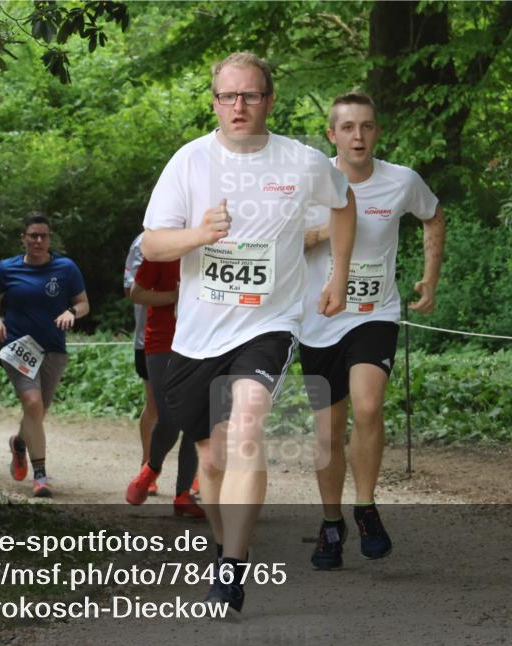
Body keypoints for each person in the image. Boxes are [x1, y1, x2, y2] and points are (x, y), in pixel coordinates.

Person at [141, 52, 357, 614]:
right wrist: (197, 235)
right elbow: (151, 244)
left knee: (247, 427)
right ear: (214, 101)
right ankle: (224, 542)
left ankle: (232, 572)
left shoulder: (302, 161)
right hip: (198, 335)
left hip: (269, 323)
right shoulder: (189, 162)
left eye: (251, 95)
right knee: (211, 460)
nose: (239, 106)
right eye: (228, 96)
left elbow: (344, 202)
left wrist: (340, 272)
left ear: (269, 99)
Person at [301, 92, 446, 569]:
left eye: (366, 127)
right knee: (328, 429)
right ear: (331, 134)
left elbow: (433, 215)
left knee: (367, 405)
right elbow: (282, 239)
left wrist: (431, 273)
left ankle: (364, 507)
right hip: (318, 319)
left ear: (376, 132)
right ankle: (330, 522)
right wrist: (328, 228)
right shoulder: (308, 180)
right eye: (347, 128)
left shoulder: (401, 181)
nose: (357, 136)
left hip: (374, 312)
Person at [0, 212, 89, 498]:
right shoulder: (7, 269)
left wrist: (71, 312)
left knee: (38, 411)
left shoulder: (66, 268)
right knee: (32, 403)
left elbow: (83, 304)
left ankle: (20, 443)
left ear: (49, 238)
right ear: (24, 238)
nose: (38, 241)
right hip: (17, 346)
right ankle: (40, 476)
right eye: (33, 235)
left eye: (43, 236)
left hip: (53, 349)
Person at [124, 257, 204, 518]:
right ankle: (152, 468)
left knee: (195, 420)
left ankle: (183, 495)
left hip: (203, 343)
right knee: (169, 418)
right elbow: (136, 294)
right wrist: (176, 295)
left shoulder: (217, 250)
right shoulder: (160, 253)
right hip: (162, 343)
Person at [124, 233, 159, 496]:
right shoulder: (142, 243)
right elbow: (131, 290)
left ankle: (195, 474)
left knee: (194, 406)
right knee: (155, 405)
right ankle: (147, 466)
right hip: (149, 337)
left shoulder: (198, 235)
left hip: (194, 337)